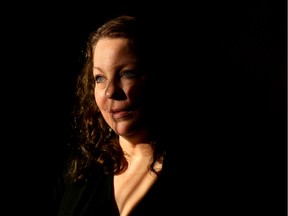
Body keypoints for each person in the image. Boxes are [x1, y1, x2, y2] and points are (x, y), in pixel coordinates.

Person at [48, 14, 182, 216]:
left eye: (127, 74)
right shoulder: (80, 171)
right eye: (100, 78)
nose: (110, 91)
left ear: (157, 76)